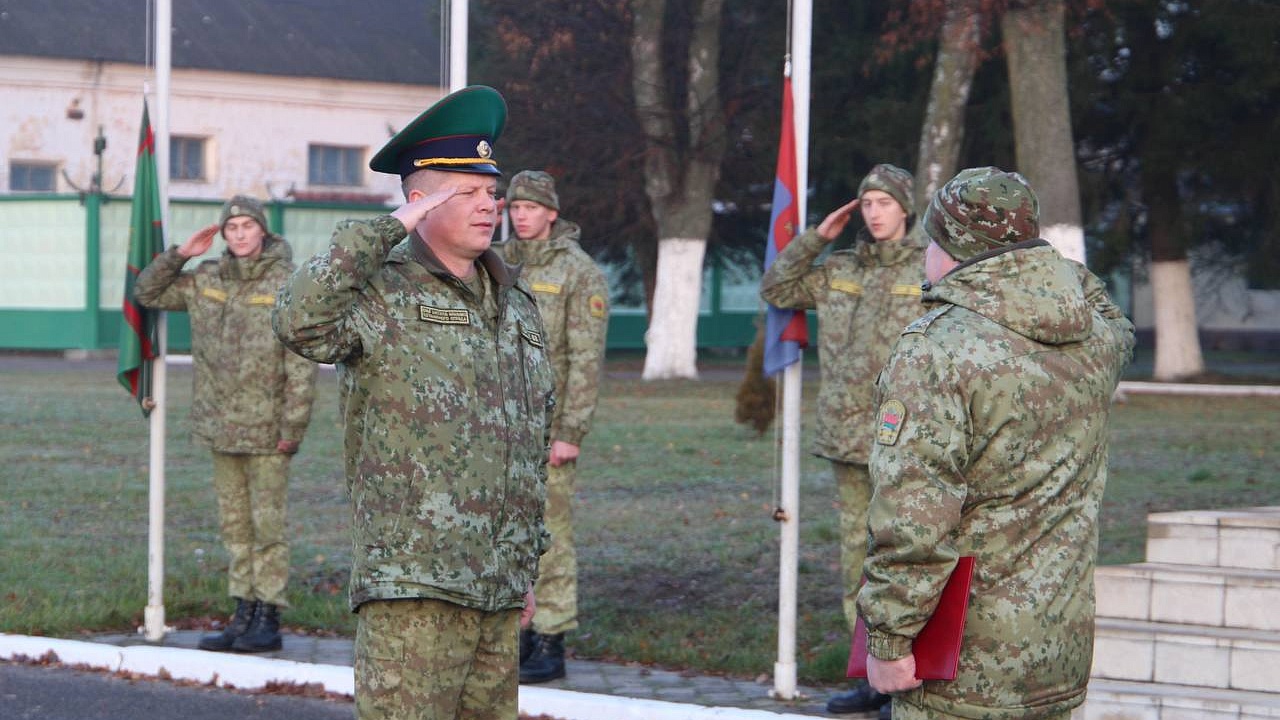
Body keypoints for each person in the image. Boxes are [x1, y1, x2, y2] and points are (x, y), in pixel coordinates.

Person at [272, 86, 555, 720]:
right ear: (420, 202)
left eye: (491, 192)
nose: (489, 205)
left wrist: (525, 564)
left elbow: (529, 436)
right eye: (468, 192)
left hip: (497, 585)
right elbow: (297, 321)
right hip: (414, 584)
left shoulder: (514, 300)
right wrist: (387, 229)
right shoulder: (379, 291)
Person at [857, 167, 1135, 719]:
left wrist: (888, 638)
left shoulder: (934, 350)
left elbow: (913, 517)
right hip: (1059, 652)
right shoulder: (1095, 342)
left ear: (953, 247)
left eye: (933, 239)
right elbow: (1110, 313)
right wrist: (1042, 260)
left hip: (963, 662)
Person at [759, 164, 926, 716]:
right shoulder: (840, 269)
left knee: (908, 555)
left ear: (906, 208)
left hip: (910, 440)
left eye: (885, 203)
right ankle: (871, 677)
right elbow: (777, 287)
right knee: (858, 555)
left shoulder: (930, 269)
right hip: (847, 436)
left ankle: (913, 678)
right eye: (867, 204)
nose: (875, 213)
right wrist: (817, 238)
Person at [134, 194, 317, 653]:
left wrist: (292, 428)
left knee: (267, 527)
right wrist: (181, 254)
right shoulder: (206, 278)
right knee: (235, 525)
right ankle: (243, 611)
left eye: (247, 226)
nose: (239, 234)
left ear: (263, 231)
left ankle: (268, 615)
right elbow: (147, 293)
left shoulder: (286, 281)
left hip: (267, 429)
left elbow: (300, 363)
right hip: (220, 426)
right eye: (231, 228)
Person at [493, 170, 609, 684]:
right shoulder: (494, 261)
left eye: (532, 208)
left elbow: (585, 359)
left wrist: (571, 431)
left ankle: (551, 637)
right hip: (497, 423)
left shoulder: (578, 271)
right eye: (515, 207)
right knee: (504, 531)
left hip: (548, 425)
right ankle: (514, 631)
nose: (521, 216)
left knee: (551, 535)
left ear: (552, 214)